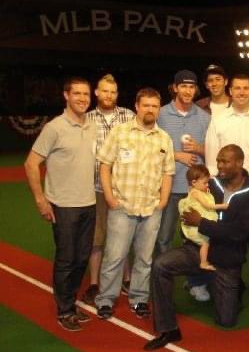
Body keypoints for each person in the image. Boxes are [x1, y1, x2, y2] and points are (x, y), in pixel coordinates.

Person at [145, 145, 249, 350]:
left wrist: (201, 223)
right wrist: (189, 222)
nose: (219, 165)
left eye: (225, 161)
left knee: (226, 320)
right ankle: (168, 329)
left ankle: (223, 284)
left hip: (227, 259)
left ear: (240, 163)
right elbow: (189, 210)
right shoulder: (211, 183)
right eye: (218, 160)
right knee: (161, 265)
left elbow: (238, 233)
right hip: (197, 249)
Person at [95, 87, 175, 320]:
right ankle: (106, 299)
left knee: (144, 258)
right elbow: (105, 165)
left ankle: (139, 298)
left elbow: (168, 173)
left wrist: (163, 201)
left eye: (155, 106)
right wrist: (110, 197)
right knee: (115, 256)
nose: (150, 110)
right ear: (137, 107)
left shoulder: (164, 139)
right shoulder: (120, 132)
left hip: (151, 208)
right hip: (122, 206)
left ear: (159, 110)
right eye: (146, 105)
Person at [24, 77, 96, 331]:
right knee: (66, 259)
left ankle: (70, 301)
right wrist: (40, 199)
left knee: (81, 258)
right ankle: (64, 310)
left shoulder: (92, 126)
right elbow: (31, 163)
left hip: (89, 203)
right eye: (77, 93)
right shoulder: (55, 127)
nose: (82, 98)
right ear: (66, 95)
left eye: (86, 94)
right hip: (63, 205)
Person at [205, 73, 249, 297]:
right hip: (225, 185)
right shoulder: (219, 119)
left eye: (246, 88)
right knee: (230, 237)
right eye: (237, 88)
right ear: (230, 91)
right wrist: (213, 189)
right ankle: (232, 285)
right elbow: (212, 156)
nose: (242, 92)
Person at [155, 70, 211, 302]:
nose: (188, 91)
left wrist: (199, 149)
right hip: (168, 188)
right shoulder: (160, 114)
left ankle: (195, 282)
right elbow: (150, 147)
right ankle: (163, 283)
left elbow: (214, 150)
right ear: (175, 88)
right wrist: (176, 155)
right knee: (164, 238)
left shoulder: (204, 117)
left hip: (195, 193)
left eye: (192, 86)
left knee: (196, 239)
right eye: (183, 86)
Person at [81, 74, 135, 305]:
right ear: (96, 92)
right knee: (97, 237)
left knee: (125, 236)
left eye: (112, 92)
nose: (108, 95)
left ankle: (127, 279)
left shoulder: (129, 116)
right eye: (104, 91)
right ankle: (94, 283)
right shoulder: (86, 119)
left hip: (125, 188)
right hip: (96, 189)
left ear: (117, 94)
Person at [178, 164, 229, 270]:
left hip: (199, 223)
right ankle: (203, 263)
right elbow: (208, 206)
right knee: (205, 243)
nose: (207, 185)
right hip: (195, 227)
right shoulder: (196, 193)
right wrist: (223, 206)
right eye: (205, 183)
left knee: (207, 242)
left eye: (208, 182)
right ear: (194, 182)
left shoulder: (198, 191)